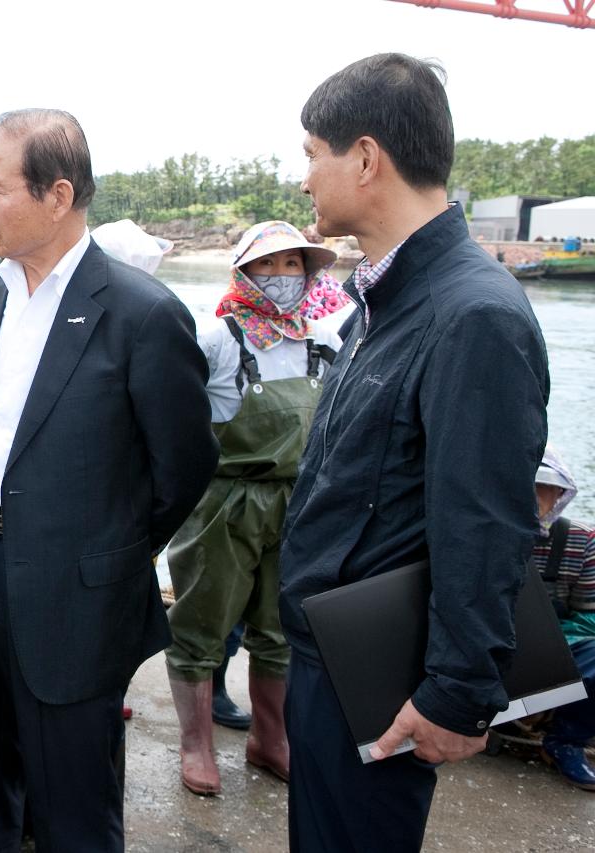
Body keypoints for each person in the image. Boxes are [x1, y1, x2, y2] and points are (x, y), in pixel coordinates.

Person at [0, 109, 218, 852]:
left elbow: (183, 467)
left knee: (72, 798)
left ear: (57, 196)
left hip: (77, 586)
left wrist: (104, 549)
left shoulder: (142, 314)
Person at [280, 54, 550, 852]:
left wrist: (458, 694)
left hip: (380, 673)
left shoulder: (472, 315)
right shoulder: (386, 298)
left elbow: (486, 522)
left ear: (364, 159)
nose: (304, 180)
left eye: (310, 154)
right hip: (330, 648)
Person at [164, 220, 343, 795]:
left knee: (282, 629)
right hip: (223, 502)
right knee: (200, 626)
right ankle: (197, 747)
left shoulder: (324, 338)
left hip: (297, 502)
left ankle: (272, 740)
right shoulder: (217, 338)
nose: (282, 277)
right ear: (243, 270)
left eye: (294, 265)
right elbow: (174, 423)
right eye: (269, 265)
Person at [531, 446, 595, 791]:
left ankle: (565, 741)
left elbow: (588, 619)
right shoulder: (470, 534)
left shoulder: (581, 540)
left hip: (548, 649)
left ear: (559, 492)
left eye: (543, 485)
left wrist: (544, 638)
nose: (533, 495)